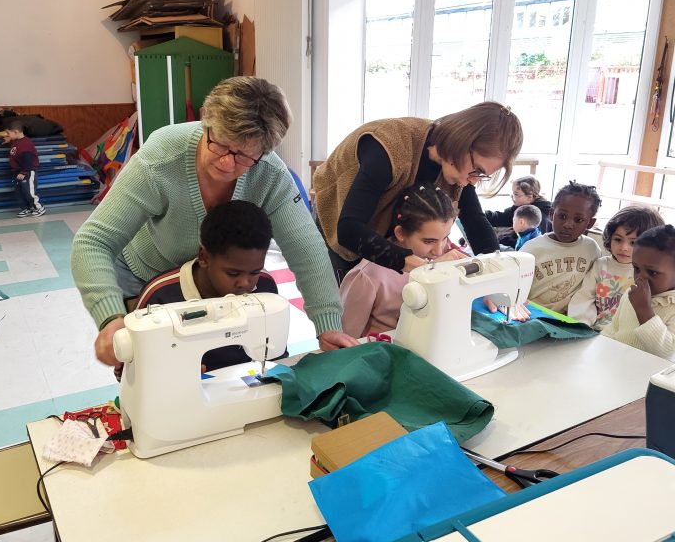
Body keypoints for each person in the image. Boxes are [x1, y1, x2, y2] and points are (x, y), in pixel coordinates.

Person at [71, 77, 357, 368]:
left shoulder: (270, 174)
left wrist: (328, 324)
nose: (226, 163)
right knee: (152, 371)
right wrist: (110, 316)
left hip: (212, 278)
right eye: (219, 144)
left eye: (244, 156)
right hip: (145, 273)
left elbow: (307, 251)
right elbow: (94, 241)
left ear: (264, 152)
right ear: (206, 122)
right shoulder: (160, 160)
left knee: (212, 368)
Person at [313, 102, 523, 284]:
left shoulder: (458, 165)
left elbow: (475, 222)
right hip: (336, 222)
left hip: (380, 231)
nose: (473, 180)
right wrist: (420, 266)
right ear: (462, 142)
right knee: (339, 308)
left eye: (482, 175)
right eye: (476, 170)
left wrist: (495, 276)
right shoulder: (389, 146)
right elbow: (348, 229)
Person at [122, 200, 283, 377]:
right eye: (233, 273)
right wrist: (166, 373)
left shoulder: (264, 287)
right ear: (204, 257)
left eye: (255, 272)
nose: (245, 283)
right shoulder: (159, 296)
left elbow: (275, 356)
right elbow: (128, 371)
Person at [339, 186, 465, 338]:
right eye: (429, 241)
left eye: (445, 237)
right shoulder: (368, 276)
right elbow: (346, 336)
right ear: (401, 233)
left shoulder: (449, 253)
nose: (439, 251)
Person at [569, 206, 664, 331]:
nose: (624, 247)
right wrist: (581, 325)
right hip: (595, 331)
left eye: (633, 243)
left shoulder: (651, 274)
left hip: (628, 337)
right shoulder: (601, 265)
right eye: (618, 239)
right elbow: (584, 298)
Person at [519, 181, 602, 314]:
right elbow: (515, 288)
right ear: (552, 214)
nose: (568, 224)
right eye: (562, 216)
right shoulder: (532, 249)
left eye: (578, 220)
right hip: (530, 315)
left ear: (590, 223)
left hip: (568, 320)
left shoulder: (591, 249)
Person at [602, 224, 675, 361]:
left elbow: (666, 354)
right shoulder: (632, 293)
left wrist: (644, 310)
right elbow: (613, 328)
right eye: (636, 268)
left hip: (644, 375)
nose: (640, 278)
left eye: (652, 272)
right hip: (614, 363)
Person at [485, 175, 551, 248]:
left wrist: (501, 238)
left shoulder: (537, 215)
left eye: (516, 194)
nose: (512, 196)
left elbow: (528, 243)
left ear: (529, 197)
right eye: (513, 193)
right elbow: (504, 217)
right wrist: (483, 214)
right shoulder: (520, 206)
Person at [5, 120, 45, 217]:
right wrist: (9, 141)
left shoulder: (26, 144)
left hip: (27, 172)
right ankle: (26, 208)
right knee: (19, 192)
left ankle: (39, 208)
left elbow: (28, 161)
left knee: (29, 191)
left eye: (8, 133)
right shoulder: (17, 141)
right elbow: (15, 149)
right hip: (17, 172)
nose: (8, 135)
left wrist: (24, 172)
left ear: (15, 132)